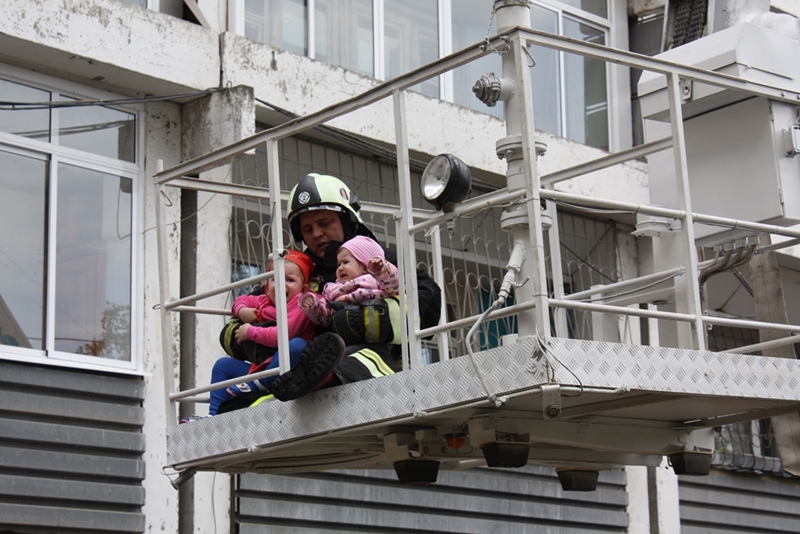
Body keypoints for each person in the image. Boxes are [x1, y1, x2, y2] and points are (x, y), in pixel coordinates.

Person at [266, 173, 442, 401]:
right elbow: (257, 310)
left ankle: (324, 376)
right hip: (298, 375)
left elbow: (430, 302)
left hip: (374, 367)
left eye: (324, 223)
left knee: (360, 361)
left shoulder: (377, 260)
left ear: (347, 220)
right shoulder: (298, 270)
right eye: (307, 229)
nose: (316, 233)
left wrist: (368, 319)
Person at [187, 250, 317, 420]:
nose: (280, 284)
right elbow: (240, 300)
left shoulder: (302, 301)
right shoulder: (264, 301)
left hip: (287, 371)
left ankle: (255, 384)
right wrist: (242, 311)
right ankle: (213, 417)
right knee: (222, 365)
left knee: (297, 345)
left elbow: (282, 335)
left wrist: (249, 332)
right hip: (263, 367)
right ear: (266, 286)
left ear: (304, 288)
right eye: (274, 279)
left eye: (290, 280)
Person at [299, 235, 400, 326]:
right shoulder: (332, 289)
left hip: (377, 334)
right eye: (338, 264)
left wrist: (381, 269)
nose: (340, 268)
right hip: (347, 336)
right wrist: (314, 306)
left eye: (345, 262)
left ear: (366, 265)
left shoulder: (377, 281)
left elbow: (394, 286)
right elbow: (324, 318)